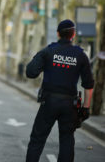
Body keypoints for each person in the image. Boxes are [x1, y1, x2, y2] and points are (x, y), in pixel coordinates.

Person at [25, 19, 94, 162]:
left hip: (49, 101)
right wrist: (86, 108)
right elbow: (89, 85)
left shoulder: (48, 51)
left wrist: (42, 60)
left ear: (58, 34)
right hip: (70, 104)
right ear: (73, 34)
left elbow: (30, 72)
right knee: (67, 140)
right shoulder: (81, 55)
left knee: (37, 139)